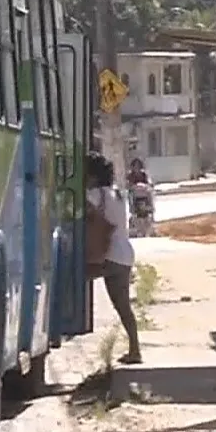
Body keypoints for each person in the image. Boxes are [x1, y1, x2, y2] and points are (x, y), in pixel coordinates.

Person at [85, 151, 141, 364]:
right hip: (124, 253)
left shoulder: (94, 194)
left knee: (72, 279)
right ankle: (134, 349)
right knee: (123, 306)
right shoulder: (117, 194)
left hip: (108, 255)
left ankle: (135, 350)